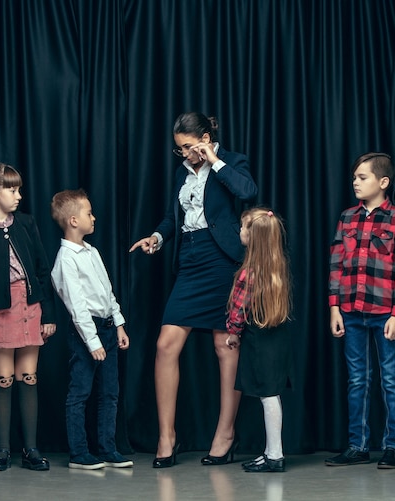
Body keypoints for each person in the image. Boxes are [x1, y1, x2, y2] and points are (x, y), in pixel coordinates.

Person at [130, 112, 258, 468]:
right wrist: (157, 237)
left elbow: (248, 192)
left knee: (224, 344)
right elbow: (175, 218)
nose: (184, 154)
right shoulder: (181, 172)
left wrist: (214, 160)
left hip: (223, 260)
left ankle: (225, 434)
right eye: (179, 149)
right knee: (165, 344)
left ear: (204, 137)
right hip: (189, 258)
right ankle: (166, 436)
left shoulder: (232, 161)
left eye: (188, 146)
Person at [0, 161, 56, 472]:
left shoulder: (27, 223)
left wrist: (49, 314)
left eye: (18, 189)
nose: (18, 195)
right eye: (11, 189)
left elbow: (43, 270)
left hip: (30, 307)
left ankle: (31, 449)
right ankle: (2, 450)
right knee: (3, 378)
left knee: (28, 376)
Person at [325, 152, 395, 469]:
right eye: (354, 178)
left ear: (383, 182)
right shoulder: (347, 218)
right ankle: (357, 445)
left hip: (384, 312)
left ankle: (393, 446)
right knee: (357, 380)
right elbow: (336, 265)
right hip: (350, 311)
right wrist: (334, 307)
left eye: (362, 178)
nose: (355, 183)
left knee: (391, 379)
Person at [50, 189, 132, 470]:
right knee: (80, 393)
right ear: (73, 220)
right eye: (88, 213)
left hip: (108, 328)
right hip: (87, 332)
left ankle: (108, 449)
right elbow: (77, 306)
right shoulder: (66, 259)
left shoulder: (92, 251)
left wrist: (119, 323)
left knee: (110, 392)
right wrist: (92, 341)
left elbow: (107, 292)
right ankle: (79, 453)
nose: (93, 217)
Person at [226, 208, 293, 473]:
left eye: (243, 228)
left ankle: (275, 455)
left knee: (268, 396)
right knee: (271, 394)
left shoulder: (249, 273)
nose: (240, 231)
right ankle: (270, 452)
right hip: (276, 341)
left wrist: (233, 332)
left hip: (259, 341)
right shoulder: (277, 268)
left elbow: (238, 310)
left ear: (254, 237)